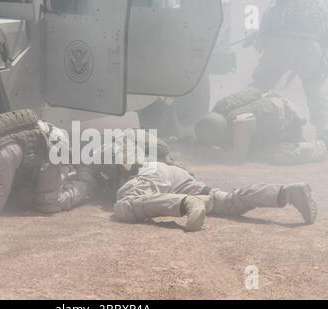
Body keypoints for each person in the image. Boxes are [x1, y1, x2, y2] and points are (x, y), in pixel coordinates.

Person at [112, 161, 318, 232]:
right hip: (176, 174)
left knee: (125, 206)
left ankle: (186, 202)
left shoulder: (100, 154)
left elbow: (82, 187)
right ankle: (286, 192)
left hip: (147, 175)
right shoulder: (140, 140)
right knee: (226, 202)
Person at [252, 0, 328, 144]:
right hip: (309, 49)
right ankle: (323, 133)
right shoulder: (319, 5)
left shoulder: (279, 3)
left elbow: (268, 24)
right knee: (315, 93)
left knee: (259, 89)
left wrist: (261, 40)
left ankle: (246, 124)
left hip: (280, 46)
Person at [194, 89, 327, 164]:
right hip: (272, 110)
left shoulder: (241, 122)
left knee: (275, 156)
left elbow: (238, 158)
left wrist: (207, 153)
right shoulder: (219, 109)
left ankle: (322, 146)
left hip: (288, 122)